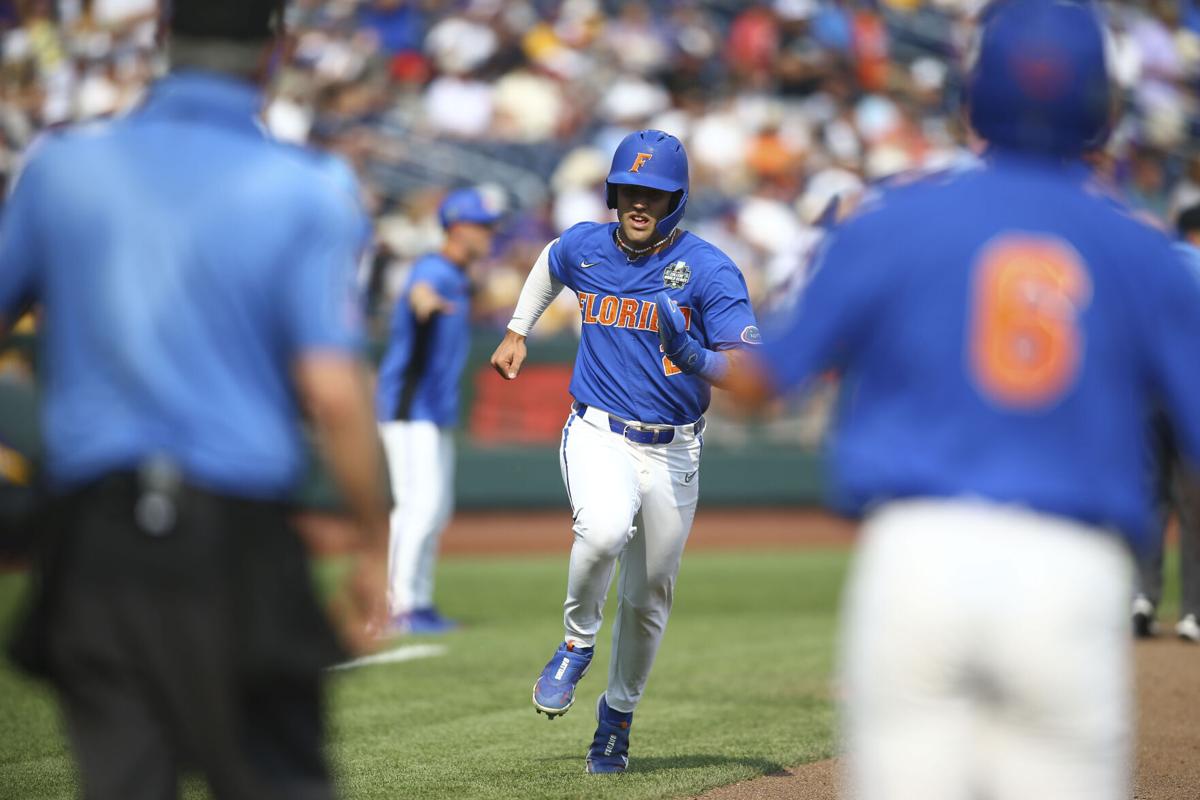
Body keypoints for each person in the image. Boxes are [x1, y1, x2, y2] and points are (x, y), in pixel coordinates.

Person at [728, 1, 1200, 798]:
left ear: (972, 98)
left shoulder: (892, 222)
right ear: (1107, 111)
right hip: (1071, 566)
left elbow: (762, 380)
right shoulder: (1143, 250)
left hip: (918, 557)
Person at [0, 2, 390, 798]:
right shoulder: (306, 184)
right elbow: (332, 392)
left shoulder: (62, 165)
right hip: (234, 540)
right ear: (272, 52)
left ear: (159, 42)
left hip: (92, 543)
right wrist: (373, 543)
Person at [490, 129, 760, 773]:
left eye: (656, 194)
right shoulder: (587, 244)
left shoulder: (709, 268)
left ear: (677, 200)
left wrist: (696, 357)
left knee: (647, 599)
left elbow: (748, 369)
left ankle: (616, 719)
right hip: (597, 429)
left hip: (673, 450)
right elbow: (551, 260)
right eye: (630, 190)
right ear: (614, 193)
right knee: (604, 529)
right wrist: (517, 328)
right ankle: (576, 643)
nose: (640, 203)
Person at [375, 185, 503, 634]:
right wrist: (424, 302)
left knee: (435, 507)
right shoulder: (434, 267)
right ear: (456, 227)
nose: (490, 233)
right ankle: (396, 605)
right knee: (417, 505)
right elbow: (420, 289)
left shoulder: (459, 274)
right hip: (410, 405)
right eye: (482, 225)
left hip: (433, 407)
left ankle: (419, 601)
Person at [1133, 201, 1200, 643]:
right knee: (1194, 506)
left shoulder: (1151, 264)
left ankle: (1142, 597)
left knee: (1150, 498)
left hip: (1145, 394)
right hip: (1190, 392)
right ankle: (1194, 613)